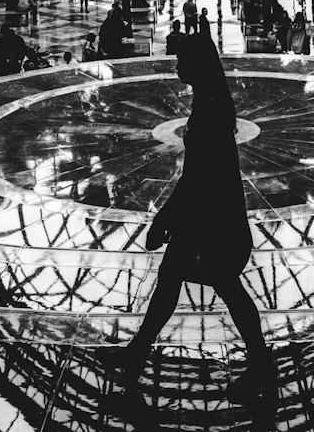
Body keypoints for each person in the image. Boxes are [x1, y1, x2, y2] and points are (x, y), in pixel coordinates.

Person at [99, 36, 275, 403]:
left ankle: (261, 365)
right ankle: (139, 352)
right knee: (182, 280)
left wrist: (164, 218)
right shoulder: (212, 102)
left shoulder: (210, 109)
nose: (176, 63)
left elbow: (197, 175)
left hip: (209, 218)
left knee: (221, 285)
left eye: (181, 58)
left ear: (197, 64)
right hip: (212, 214)